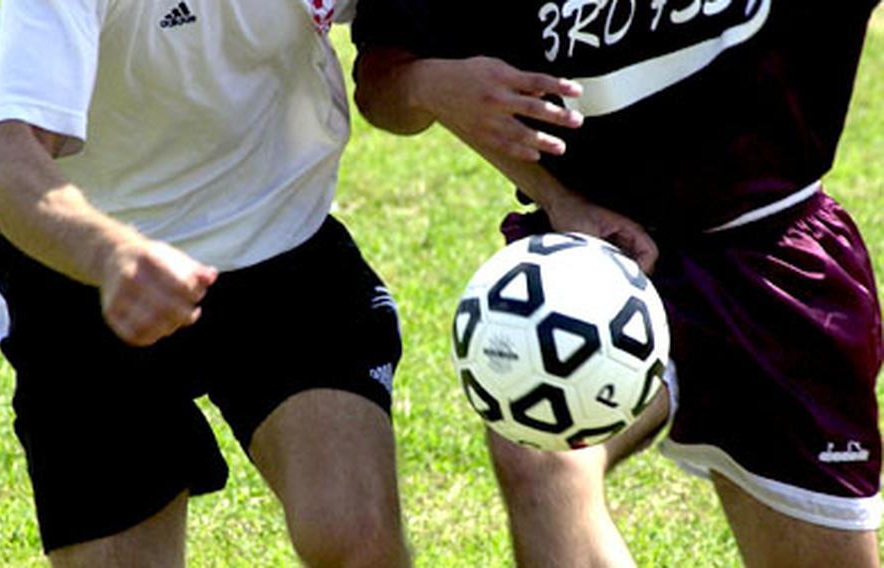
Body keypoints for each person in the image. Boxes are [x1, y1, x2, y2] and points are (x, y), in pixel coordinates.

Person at [351, 1, 884, 566]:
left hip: (774, 255)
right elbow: (383, 75)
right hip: (595, 250)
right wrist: (430, 85)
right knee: (543, 450)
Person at [0, 0, 412, 565]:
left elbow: (418, 38)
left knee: (357, 538)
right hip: (91, 280)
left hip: (283, 247)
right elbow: (3, 154)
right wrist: (112, 256)